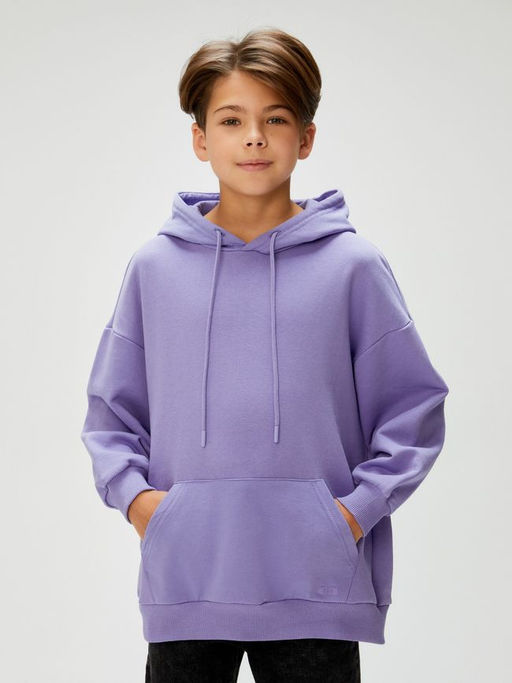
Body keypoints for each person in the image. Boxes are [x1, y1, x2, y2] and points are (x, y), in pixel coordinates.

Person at [81, 27, 449, 683]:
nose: (253, 137)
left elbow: (413, 408)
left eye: (275, 119)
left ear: (306, 138)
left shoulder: (353, 267)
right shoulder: (154, 269)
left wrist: (349, 515)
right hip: (189, 578)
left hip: (316, 581)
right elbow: (111, 414)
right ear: (200, 139)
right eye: (231, 120)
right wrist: (145, 507)